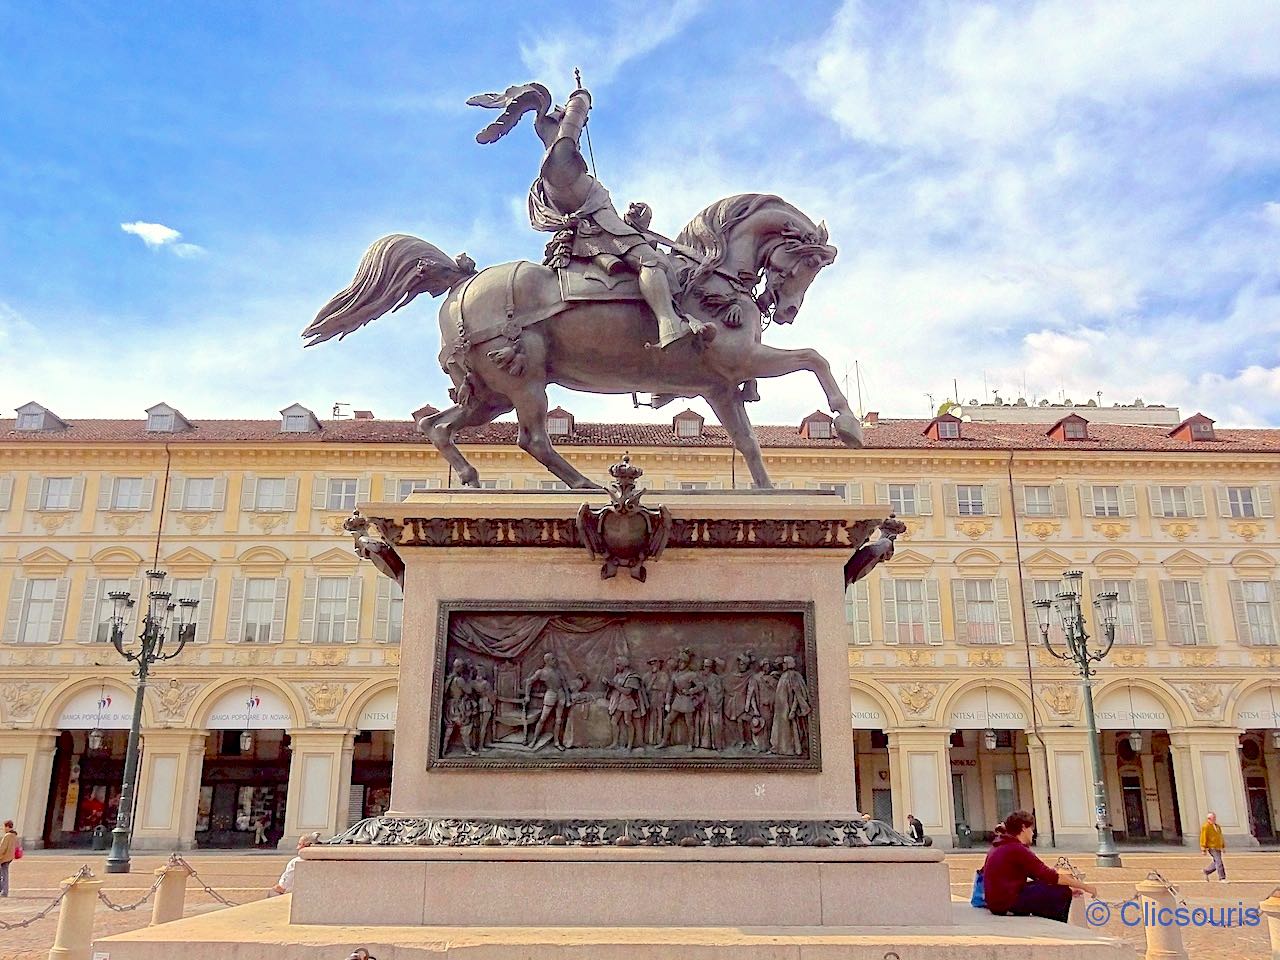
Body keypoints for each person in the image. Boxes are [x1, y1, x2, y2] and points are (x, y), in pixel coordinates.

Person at [981, 811, 1096, 922]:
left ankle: (1048, 919)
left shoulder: (1002, 844)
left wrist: (1068, 887)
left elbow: (1039, 875)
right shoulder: (1016, 848)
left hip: (997, 902)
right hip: (1006, 903)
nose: (1033, 832)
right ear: (1023, 828)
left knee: (1055, 888)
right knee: (1061, 893)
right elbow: (1050, 875)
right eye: (1031, 828)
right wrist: (1084, 886)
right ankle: (1056, 926)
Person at [1200, 811, 1227, 881]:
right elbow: (1203, 837)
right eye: (1210, 818)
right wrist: (1203, 848)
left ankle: (1206, 871)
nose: (1212, 819)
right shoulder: (1205, 827)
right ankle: (1222, 878)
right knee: (1219, 862)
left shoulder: (1217, 826)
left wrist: (1223, 846)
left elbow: (1220, 837)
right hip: (1211, 847)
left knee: (1216, 862)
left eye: (1213, 818)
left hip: (1218, 846)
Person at [0, 820, 18, 898]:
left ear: (7, 827)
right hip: (9, 857)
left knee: (4, 875)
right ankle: (2, 889)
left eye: (4, 827)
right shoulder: (14, 835)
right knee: (3, 874)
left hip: (4, 857)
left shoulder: (7, 836)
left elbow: (2, 848)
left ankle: (4, 891)